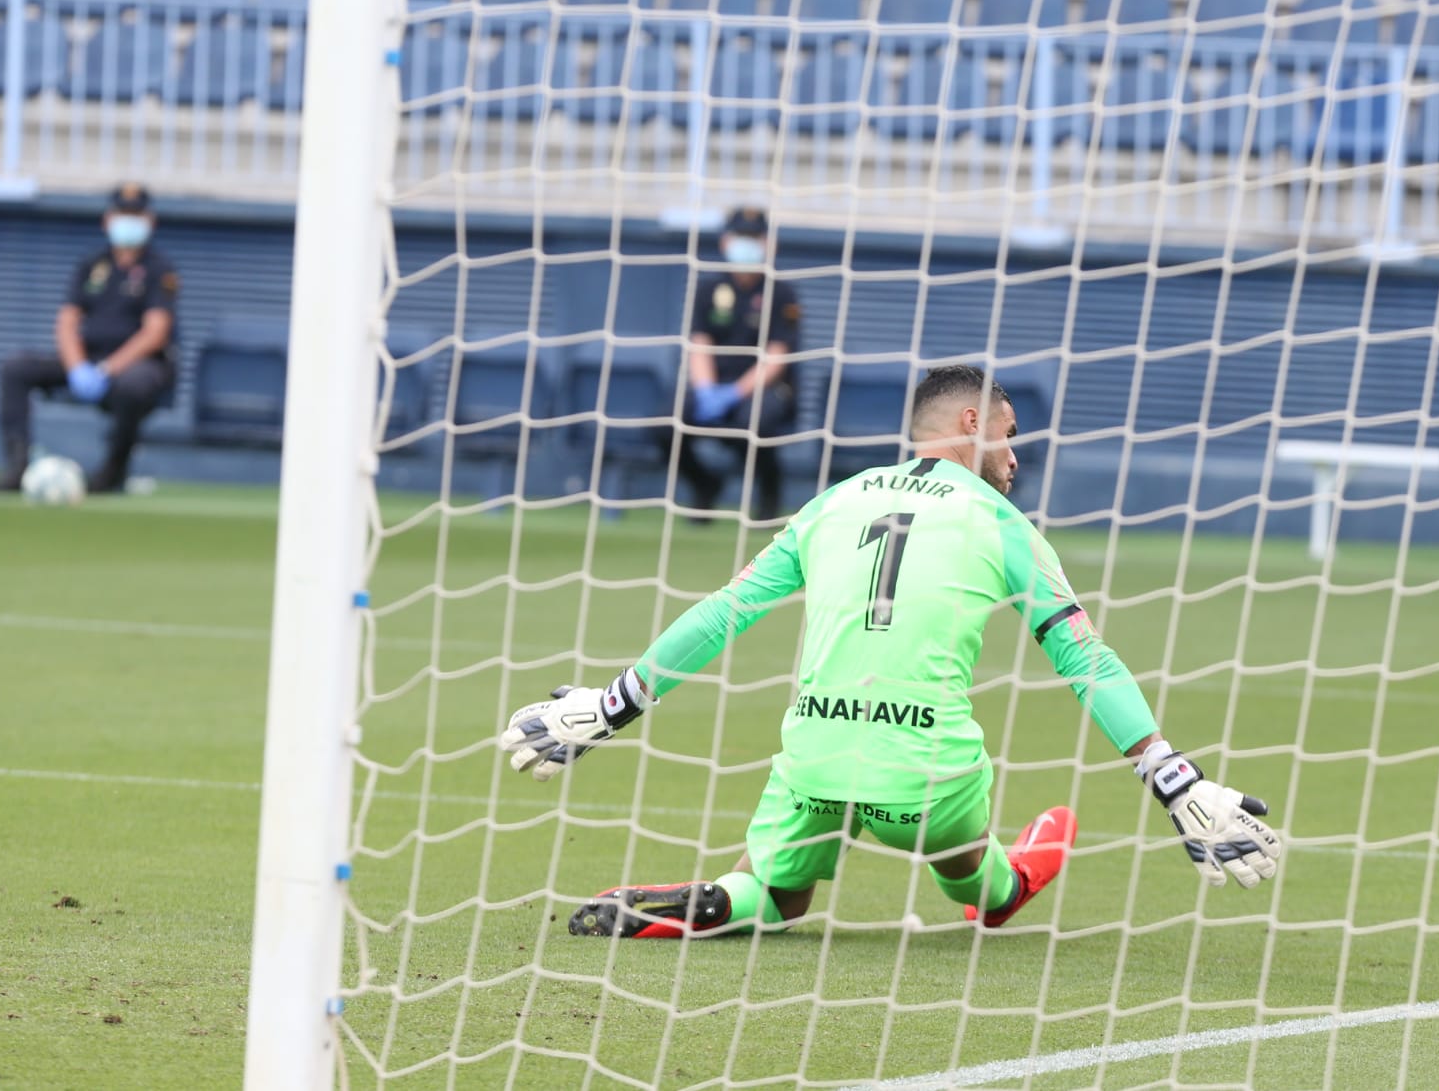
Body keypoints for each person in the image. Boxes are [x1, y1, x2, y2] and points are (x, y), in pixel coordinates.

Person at [500, 364, 1283, 939]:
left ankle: (721, 898)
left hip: (814, 761)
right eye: (1010, 436)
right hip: (928, 783)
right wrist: (1175, 780)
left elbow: (724, 611)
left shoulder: (833, 500)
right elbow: (1088, 660)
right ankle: (1001, 880)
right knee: (979, 877)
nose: (1016, 458)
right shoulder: (1007, 526)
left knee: (776, 896)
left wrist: (608, 707)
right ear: (971, 422)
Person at [0, 184, 180, 495]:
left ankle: (113, 472)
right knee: (16, 368)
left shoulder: (160, 269)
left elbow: (155, 333)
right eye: (122, 214)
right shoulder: (92, 265)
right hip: (88, 357)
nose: (128, 222)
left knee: (135, 384)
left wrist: (106, 370)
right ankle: (17, 465)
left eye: (135, 215)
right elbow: (67, 322)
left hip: (135, 364)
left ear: (150, 221)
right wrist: (77, 367)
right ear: (107, 220)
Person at [676, 206, 802, 524]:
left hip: (764, 387)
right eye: (740, 237)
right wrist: (706, 390)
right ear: (725, 241)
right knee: (667, 422)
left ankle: (769, 491)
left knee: (753, 420)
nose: (745, 244)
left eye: (753, 237)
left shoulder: (781, 293)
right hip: (714, 383)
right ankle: (704, 485)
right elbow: (699, 344)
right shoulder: (708, 289)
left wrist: (735, 392)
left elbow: (777, 354)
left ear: (767, 243)